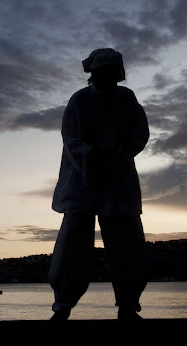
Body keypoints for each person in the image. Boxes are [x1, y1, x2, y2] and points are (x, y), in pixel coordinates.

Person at [49, 48, 149, 321]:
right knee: (73, 243)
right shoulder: (79, 101)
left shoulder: (127, 99)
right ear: (94, 75)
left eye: (112, 74)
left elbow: (140, 133)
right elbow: (72, 139)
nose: (108, 79)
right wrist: (92, 158)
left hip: (118, 181)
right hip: (82, 180)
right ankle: (63, 306)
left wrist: (119, 155)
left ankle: (128, 306)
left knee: (127, 244)